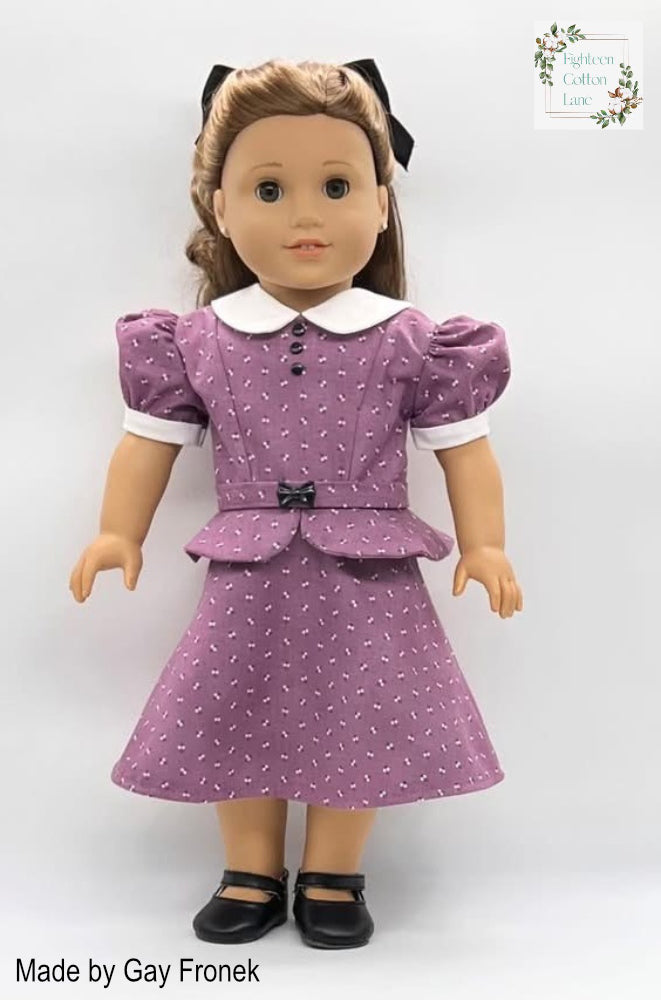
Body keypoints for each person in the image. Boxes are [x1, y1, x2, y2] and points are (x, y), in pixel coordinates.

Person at [69, 57, 523, 951]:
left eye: (336, 186)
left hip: (368, 571)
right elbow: (147, 441)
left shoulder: (415, 341)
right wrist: (117, 532)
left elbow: (465, 450)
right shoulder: (196, 340)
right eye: (269, 189)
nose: (304, 216)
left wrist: (486, 547)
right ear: (221, 208)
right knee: (233, 705)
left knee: (359, 716)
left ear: (381, 205)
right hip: (246, 568)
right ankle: (249, 868)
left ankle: (332, 873)